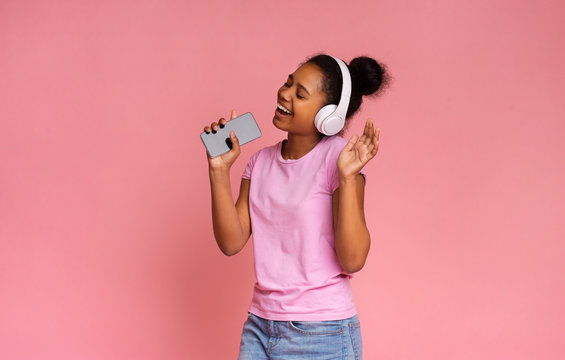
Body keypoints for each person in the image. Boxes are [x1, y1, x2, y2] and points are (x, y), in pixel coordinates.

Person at [202, 53, 389, 359]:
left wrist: (348, 177)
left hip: (321, 331)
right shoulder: (259, 162)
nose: (285, 94)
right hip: (260, 326)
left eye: (300, 94)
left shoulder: (340, 160)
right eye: (288, 83)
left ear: (329, 116)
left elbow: (353, 259)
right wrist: (219, 170)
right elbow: (231, 242)